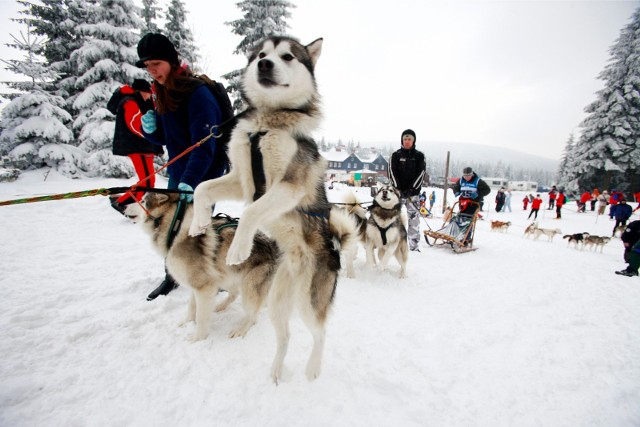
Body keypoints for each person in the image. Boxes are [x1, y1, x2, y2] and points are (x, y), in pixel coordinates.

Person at [136, 33, 227, 300]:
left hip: (204, 173)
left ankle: (213, 275)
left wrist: (191, 181)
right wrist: (150, 131)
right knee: (170, 226)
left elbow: (204, 145)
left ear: (171, 61)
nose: (152, 71)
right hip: (180, 173)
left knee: (198, 227)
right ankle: (172, 276)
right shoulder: (163, 91)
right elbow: (169, 139)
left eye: (156, 64)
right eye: (147, 66)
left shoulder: (198, 93)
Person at [106, 79, 164, 214]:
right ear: (140, 91)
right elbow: (134, 123)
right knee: (147, 182)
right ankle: (123, 203)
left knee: (149, 181)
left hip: (144, 146)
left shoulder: (140, 101)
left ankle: (133, 205)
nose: (149, 96)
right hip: (139, 147)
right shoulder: (131, 102)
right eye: (148, 93)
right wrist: (151, 135)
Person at [390, 129, 426, 251]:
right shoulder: (396, 155)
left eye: (409, 139)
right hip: (397, 193)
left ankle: (413, 246)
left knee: (414, 220)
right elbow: (392, 173)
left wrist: (411, 189)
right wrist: (398, 189)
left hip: (413, 195)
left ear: (413, 140)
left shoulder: (419, 156)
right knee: (393, 218)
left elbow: (421, 174)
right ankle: (392, 244)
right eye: (405, 139)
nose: (407, 141)